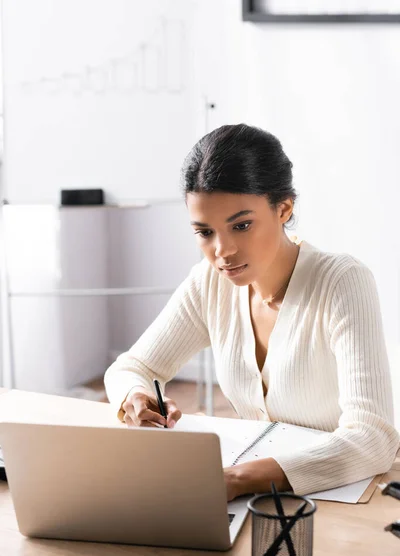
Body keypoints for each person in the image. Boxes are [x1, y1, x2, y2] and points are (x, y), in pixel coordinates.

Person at [104, 124, 399, 501]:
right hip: (253, 500)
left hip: (339, 495)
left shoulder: (342, 281)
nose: (222, 251)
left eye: (241, 225)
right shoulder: (209, 284)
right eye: (204, 232)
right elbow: (131, 367)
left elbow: (373, 439)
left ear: (284, 208)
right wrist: (136, 395)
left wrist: (241, 479)